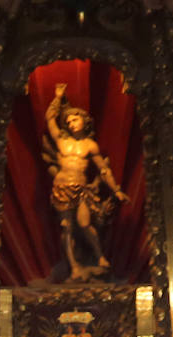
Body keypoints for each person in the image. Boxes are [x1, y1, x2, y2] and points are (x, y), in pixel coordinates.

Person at [44, 83, 128, 280]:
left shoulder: (90, 145)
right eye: (69, 121)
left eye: (76, 119)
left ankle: (100, 257)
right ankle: (73, 266)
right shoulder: (62, 141)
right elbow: (49, 120)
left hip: (81, 189)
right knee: (66, 226)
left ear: (85, 121)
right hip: (62, 188)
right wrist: (57, 98)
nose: (73, 123)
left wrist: (116, 189)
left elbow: (104, 169)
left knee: (84, 224)